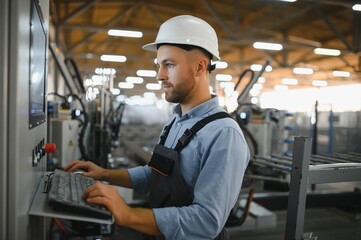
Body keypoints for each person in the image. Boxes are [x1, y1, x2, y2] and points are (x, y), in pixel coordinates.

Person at [66, 15, 250, 240]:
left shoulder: (223, 134)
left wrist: (129, 214)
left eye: (169, 65)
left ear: (200, 67)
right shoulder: (176, 120)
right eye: (159, 65)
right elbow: (156, 175)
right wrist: (104, 174)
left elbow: (206, 221)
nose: (159, 75)